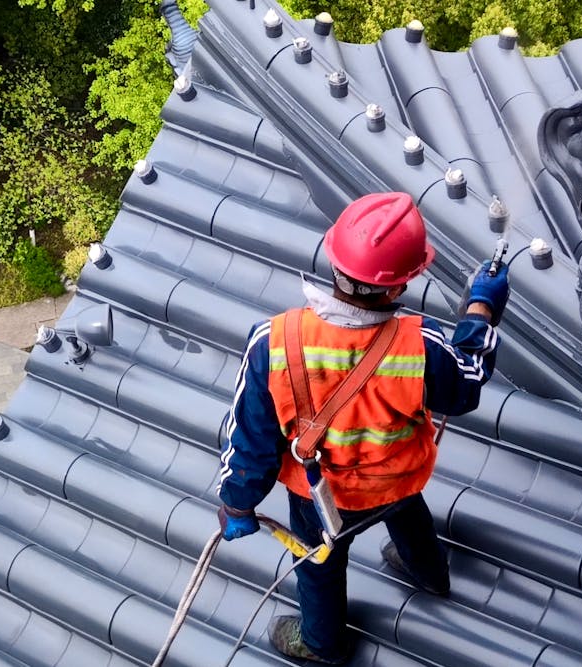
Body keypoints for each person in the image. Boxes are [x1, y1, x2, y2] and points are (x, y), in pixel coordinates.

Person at [216, 191, 509, 663]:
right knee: (409, 517)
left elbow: (250, 442)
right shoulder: (422, 346)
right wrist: (481, 310)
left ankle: (323, 643)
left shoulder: (274, 342)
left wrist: (236, 503)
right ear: (398, 286)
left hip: (319, 497)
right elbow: (465, 386)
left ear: (334, 262)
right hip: (396, 479)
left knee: (319, 563)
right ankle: (429, 574)